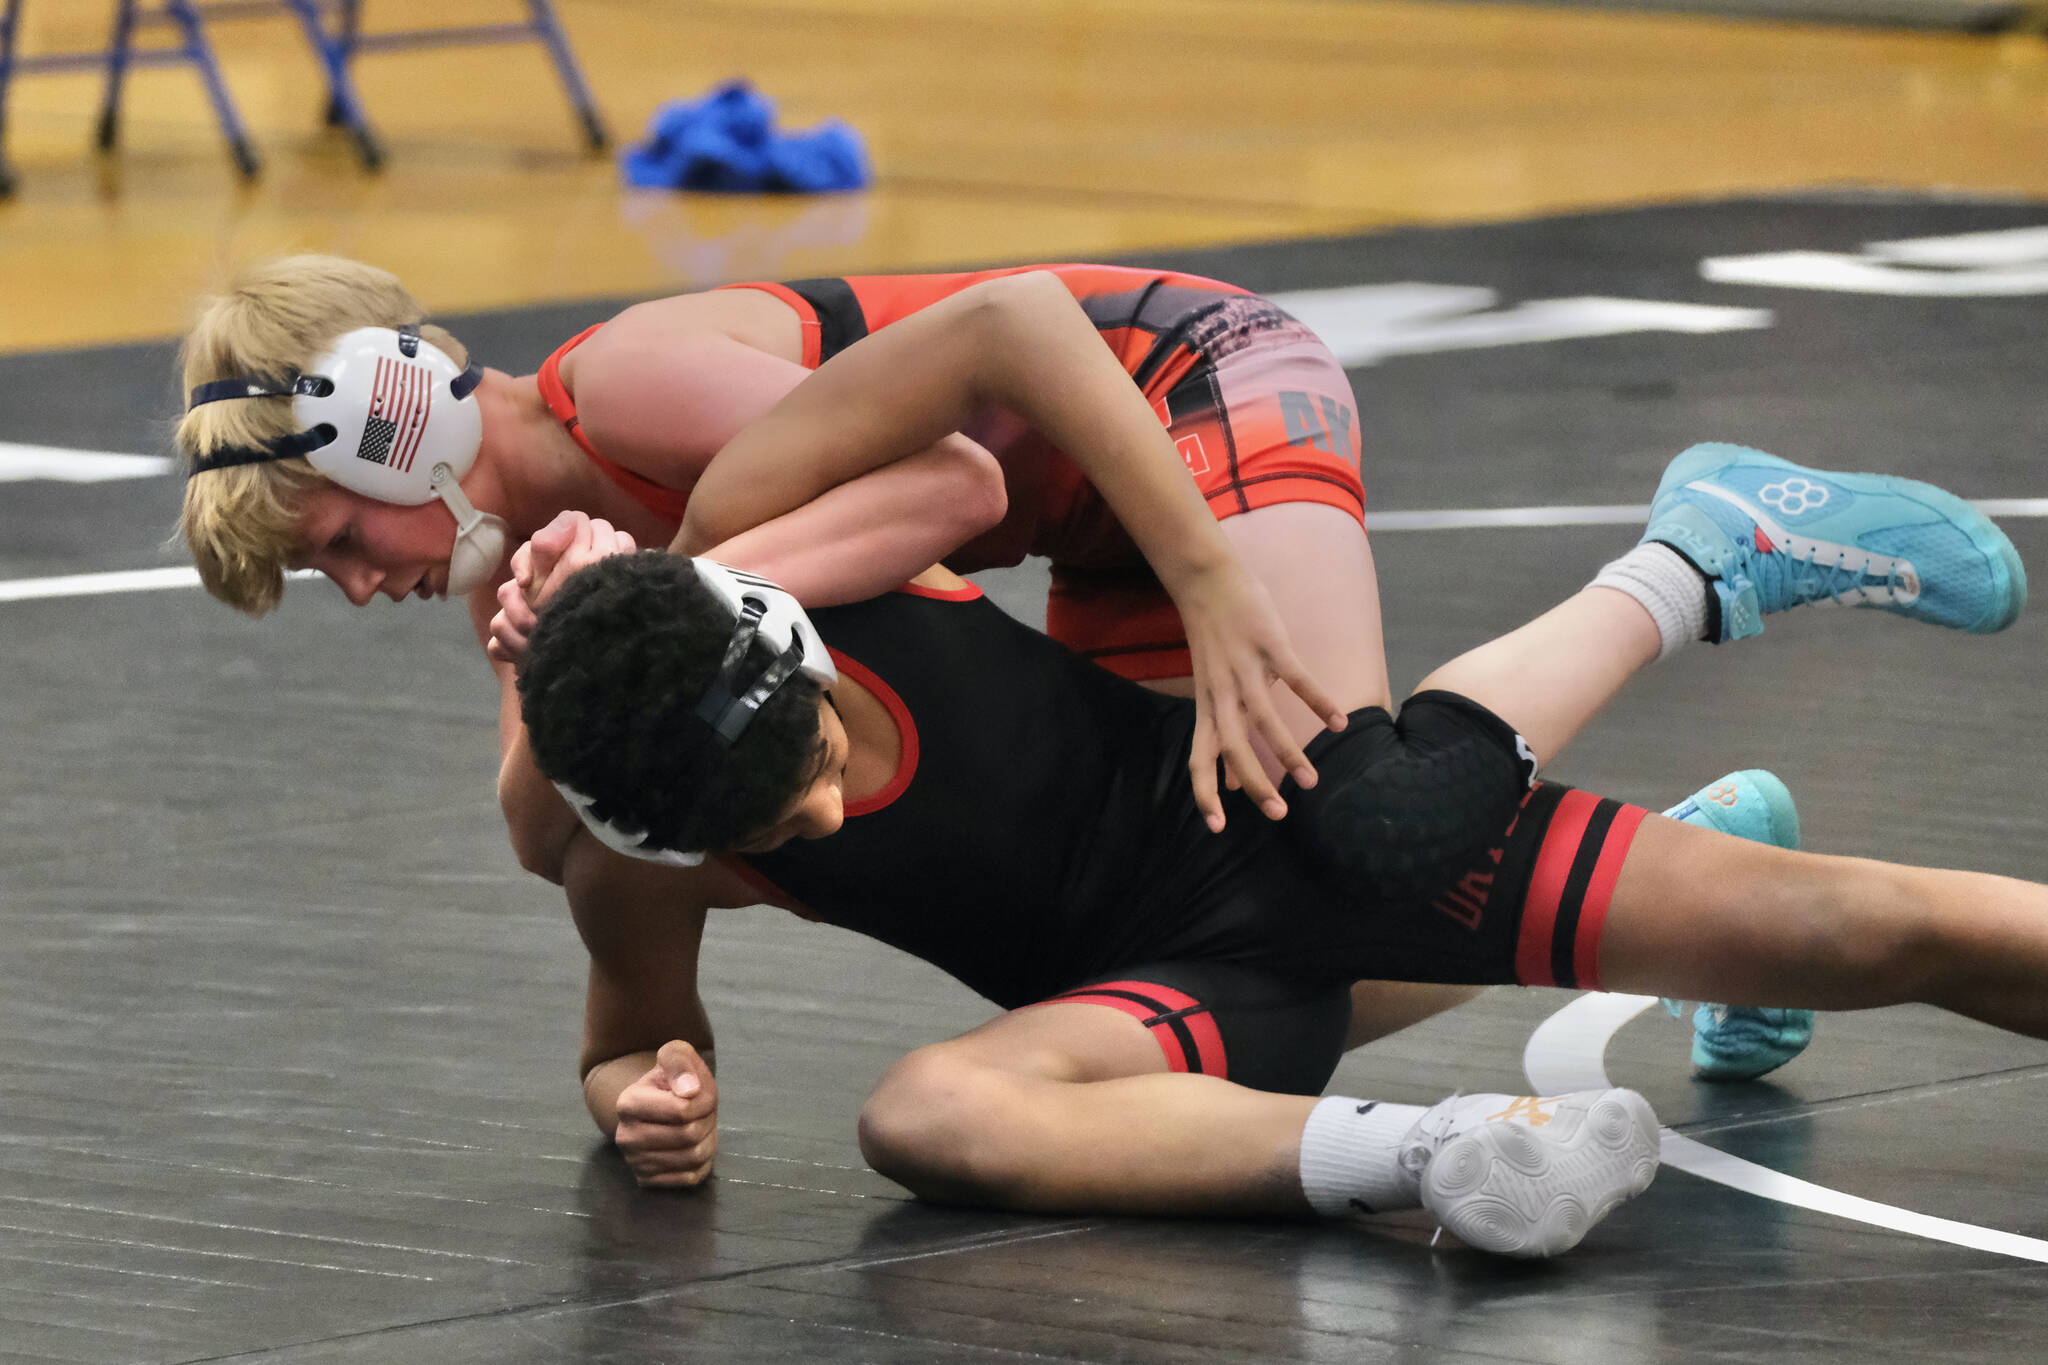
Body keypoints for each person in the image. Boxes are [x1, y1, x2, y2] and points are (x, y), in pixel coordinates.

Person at [172, 254, 1808, 1077]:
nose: (351, 586)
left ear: (400, 426)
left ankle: (1703, 550)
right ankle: (1714, 874)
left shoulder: (633, 392)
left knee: (1352, 820)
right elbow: (561, 837)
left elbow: (953, 487)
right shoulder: (521, 569)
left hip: (1170, 395)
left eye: (328, 544)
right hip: (1076, 520)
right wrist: (558, 648)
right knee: (1235, 935)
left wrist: (1211, 579)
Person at [506, 441, 2032, 1256]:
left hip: (1295, 826)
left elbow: (982, 431)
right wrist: (648, 1096)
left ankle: (1700, 555)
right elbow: (633, 1036)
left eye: (818, 766)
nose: (825, 822)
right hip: (1168, 1009)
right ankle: (1453, 1153)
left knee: (1879, 931)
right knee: (924, 1111)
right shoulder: (635, 851)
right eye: (780, 837)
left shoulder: (835, 567)